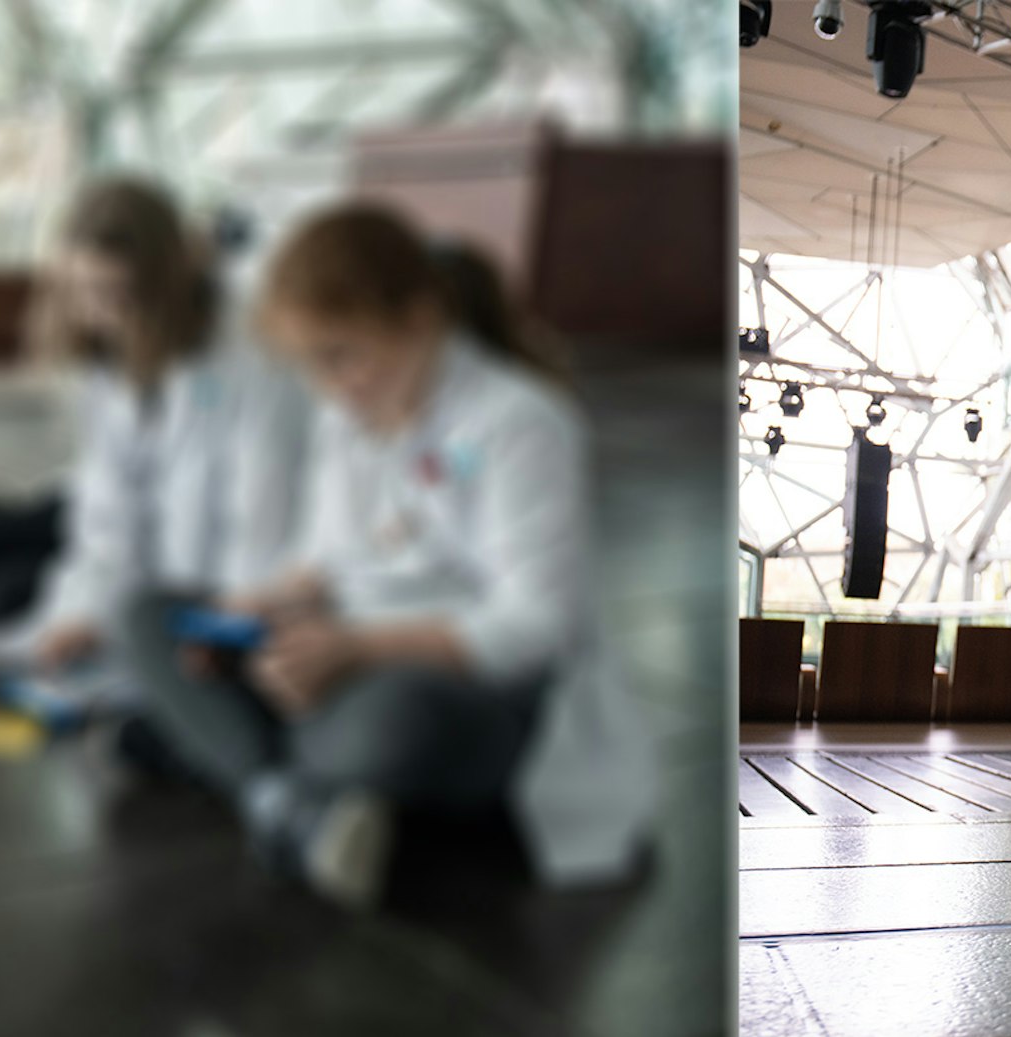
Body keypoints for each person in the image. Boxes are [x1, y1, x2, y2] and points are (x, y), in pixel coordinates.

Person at [111, 201, 641, 907]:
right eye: (311, 365)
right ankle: (284, 797)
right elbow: (329, 560)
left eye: (342, 356)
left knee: (393, 724)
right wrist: (248, 613)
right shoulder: (346, 415)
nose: (329, 387)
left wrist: (355, 649)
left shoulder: (521, 422)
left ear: (420, 321)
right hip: (345, 649)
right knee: (148, 615)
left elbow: (534, 627)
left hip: (460, 686)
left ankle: (225, 752)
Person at [19, 177, 313, 686]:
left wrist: (218, 631)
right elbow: (106, 526)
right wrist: (77, 619)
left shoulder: (252, 354)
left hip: (241, 603)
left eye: (116, 294)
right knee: (7, 592)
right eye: (84, 292)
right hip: (158, 605)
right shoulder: (105, 366)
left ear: (164, 283)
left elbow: (262, 522)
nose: (99, 315)